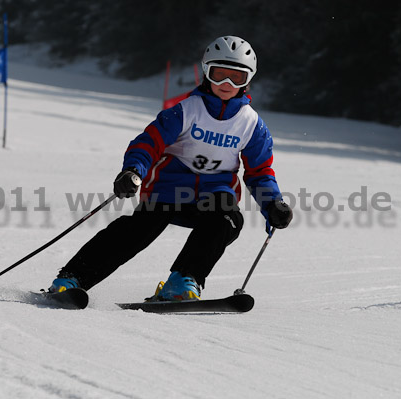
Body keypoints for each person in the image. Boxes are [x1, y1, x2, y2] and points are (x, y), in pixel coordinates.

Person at [48, 36, 293, 301]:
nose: (226, 84)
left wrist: (272, 205)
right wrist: (132, 171)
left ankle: (184, 281)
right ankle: (73, 277)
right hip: (168, 190)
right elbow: (148, 144)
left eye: (236, 77)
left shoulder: (251, 124)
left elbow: (259, 172)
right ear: (206, 72)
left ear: (247, 80)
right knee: (143, 226)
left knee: (228, 217)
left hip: (214, 194)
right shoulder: (186, 111)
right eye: (219, 75)